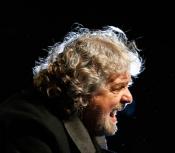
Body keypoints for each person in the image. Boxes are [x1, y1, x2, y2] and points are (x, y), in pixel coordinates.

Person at [0, 24, 144, 153]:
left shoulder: (87, 125)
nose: (129, 98)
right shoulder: (29, 126)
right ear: (82, 89)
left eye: (128, 86)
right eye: (117, 88)